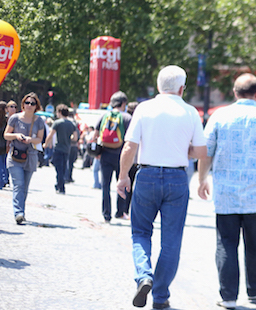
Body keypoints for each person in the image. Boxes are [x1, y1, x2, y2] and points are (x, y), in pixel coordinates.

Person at [115, 65, 207, 309]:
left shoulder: (145, 108)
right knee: (172, 240)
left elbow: (129, 147)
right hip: (177, 179)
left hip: (146, 175)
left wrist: (124, 176)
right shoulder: (190, 112)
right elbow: (201, 151)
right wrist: (182, 152)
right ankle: (161, 295)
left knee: (141, 232)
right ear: (181, 88)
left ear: (158, 86)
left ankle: (144, 275)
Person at [197, 73, 256, 309]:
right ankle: (255, 289)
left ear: (234, 92)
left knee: (226, 243)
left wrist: (202, 179)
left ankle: (228, 295)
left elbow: (206, 152)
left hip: (226, 193)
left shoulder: (220, 116)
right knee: (254, 243)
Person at [3, 92, 46, 224]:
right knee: (18, 185)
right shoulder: (15, 118)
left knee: (25, 187)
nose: (29, 105)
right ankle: (18, 213)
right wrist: (16, 135)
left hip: (30, 157)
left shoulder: (39, 121)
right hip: (15, 156)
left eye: (32, 103)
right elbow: (6, 135)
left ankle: (22, 210)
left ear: (36, 106)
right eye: (27, 103)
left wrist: (30, 139)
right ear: (23, 104)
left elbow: (39, 139)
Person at [97, 91, 132, 222]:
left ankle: (106, 214)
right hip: (121, 155)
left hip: (105, 154)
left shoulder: (104, 115)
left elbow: (95, 135)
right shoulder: (127, 117)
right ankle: (120, 212)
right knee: (122, 182)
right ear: (123, 103)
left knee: (105, 185)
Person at [43, 104, 77, 195]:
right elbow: (75, 138)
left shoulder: (57, 123)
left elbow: (51, 135)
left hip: (58, 148)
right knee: (63, 167)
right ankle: (59, 184)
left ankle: (61, 187)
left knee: (58, 168)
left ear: (60, 112)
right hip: (67, 149)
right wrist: (68, 138)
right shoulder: (72, 124)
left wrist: (45, 144)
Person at [65, 110, 80, 183]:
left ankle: (66, 177)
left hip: (67, 144)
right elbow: (77, 134)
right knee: (71, 162)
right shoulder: (75, 123)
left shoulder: (66, 121)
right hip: (74, 145)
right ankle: (69, 176)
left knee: (66, 161)